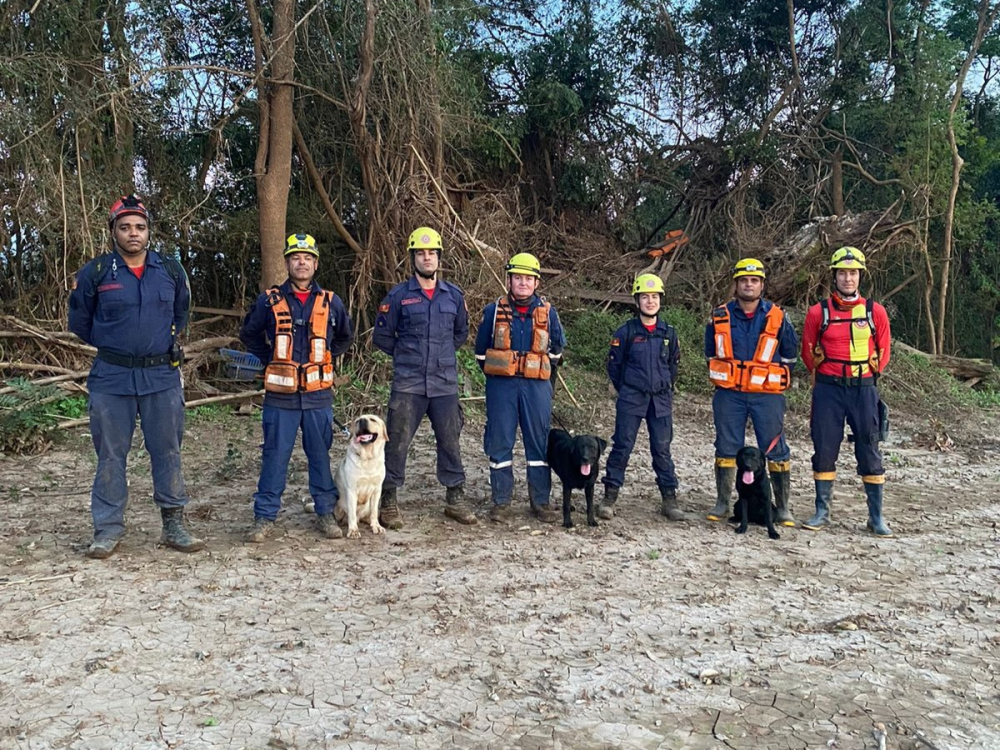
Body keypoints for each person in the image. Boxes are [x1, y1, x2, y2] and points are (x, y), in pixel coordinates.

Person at [68, 194, 204, 559]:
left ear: (149, 232)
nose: (133, 234)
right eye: (125, 227)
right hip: (111, 378)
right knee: (111, 455)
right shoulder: (96, 273)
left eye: (140, 227)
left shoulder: (171, 271)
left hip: (161, 376)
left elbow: (181, 313)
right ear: (113, 231)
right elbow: (80, 321)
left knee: (168, 451)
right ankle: (108, 529)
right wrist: (116, 345)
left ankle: (174, 523)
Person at [240, 233, 354, 542]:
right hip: (281, 397)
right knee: (275, 457)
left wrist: (326, 358)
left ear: (315, 263)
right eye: (295, 257)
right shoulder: (269, 300)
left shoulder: (331, 302)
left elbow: (345, 336)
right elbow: (249, 334)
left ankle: (325, 514)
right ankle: (264, 518)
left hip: (318, 397)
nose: (301, 262)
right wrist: (271, 359)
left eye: (306, 257)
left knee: (320, 456)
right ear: (287, 262)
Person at [373, 227, 475, 527]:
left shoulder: (453, 296)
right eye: (421, 253)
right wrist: (408, 355)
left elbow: (460, 333)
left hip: (444, 383)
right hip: (409, 383)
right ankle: (388, 500)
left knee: (450, 441)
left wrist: (440, 357)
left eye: (431, 253)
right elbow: (382, 337)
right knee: (397, 442)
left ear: (439, 258)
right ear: (413, 258)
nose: (427, 258)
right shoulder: (399, 296)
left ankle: (455, 497)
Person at [800, 247, 893, 536]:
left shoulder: (874, 311)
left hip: (863, 390)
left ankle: (875, 517)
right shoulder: (819, 312)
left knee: (870, 448)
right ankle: (821, 512)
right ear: (834, 276)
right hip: (829, 389)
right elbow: (807, 352)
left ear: (860, 276)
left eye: (853, 273)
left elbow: (884, 351)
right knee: (825, 446)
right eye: (843, 273)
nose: (848, 278)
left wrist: (867, 376)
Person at [705, 258, 798, 526]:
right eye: (744, 280)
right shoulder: (719, 315)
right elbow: (710, 353)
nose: (749, 284)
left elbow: (790, 355)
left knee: (775, 448)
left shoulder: (778, 317)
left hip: (766, 395)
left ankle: (782, 508)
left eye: (754, 280)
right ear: (736, 284)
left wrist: (768, 378)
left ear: (762, 285)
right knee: (725, 446)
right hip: (729, 394)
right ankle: (723, 503)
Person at [475, 252, 566, 523]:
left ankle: (540, 501)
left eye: (528, 278)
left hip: (536, 388)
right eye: (518, 278)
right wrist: (503, 372)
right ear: (509, 280)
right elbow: (481, 353)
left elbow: (557, 351)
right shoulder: (493, 311)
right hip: (501, 386)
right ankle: (501, 502)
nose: (523, 283)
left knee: (538, 442)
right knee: (499, 441)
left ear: (536, 283)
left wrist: (537, 375)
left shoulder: (549, 313)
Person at [597, 274, 683, 521]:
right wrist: (627, 389)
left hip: (661, 400)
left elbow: (673, 367)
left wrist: (664, 387)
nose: (650, 301)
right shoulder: (625, 332)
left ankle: (669, 500)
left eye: (654, 296)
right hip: (632, 397)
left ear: (660, 300)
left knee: (662, 449)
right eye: (645, 297)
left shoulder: (669, 333)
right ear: (637, 301)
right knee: (622, 446)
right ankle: (609, 497)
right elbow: (614, 367)